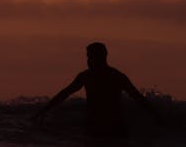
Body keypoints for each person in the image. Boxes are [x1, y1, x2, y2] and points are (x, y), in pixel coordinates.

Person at [32, 42, 161, 137]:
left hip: (109, 127)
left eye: (90, 57)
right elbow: (64, 94)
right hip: (100, 126)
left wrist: (42, 112)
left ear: (100, 57)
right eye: (87, 57)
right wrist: (43, 111)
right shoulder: (112, 76)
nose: (88, 60)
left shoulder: (94, 76)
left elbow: (138, 98)